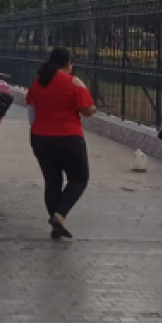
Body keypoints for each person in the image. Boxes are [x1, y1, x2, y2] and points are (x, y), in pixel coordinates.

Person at [25, 47, 96, 240]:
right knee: (79, 179)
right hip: (69, 139)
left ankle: (57, 223)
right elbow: (87, 111)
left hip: (40, 138)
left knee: (52, 181)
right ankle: (59, 215)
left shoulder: (38, 82)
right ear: (68, 63)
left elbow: (31, 111)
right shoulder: (74, 82)